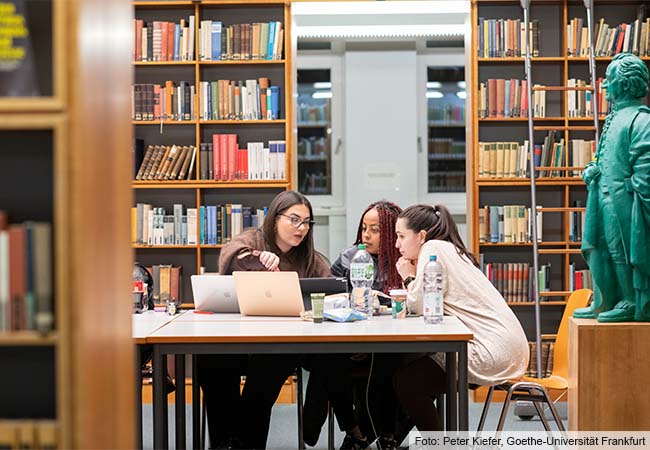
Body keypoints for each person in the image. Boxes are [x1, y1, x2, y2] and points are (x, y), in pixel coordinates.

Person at [198, 190, 331, 449]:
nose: (301, 228)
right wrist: (257, 257)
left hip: (284, 343)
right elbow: (231, 255)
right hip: (239, 338)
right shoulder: (253, 240)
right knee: (211, 360)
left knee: (269, 367)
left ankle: (245, 442)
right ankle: (223, 441)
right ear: (274, 217)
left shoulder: (310, 258)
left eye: (306, 222)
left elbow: (329, 290)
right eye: (294, 219)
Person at [392, 204, 529, 431]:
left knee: (408, 382)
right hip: (507, 346)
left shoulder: (433, 248)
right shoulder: (450, 249)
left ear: (422, 236)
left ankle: (439, 448)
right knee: (411, 371)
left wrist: (408, 277)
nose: (397, 244)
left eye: (401, 236)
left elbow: (418, 304)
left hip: (493, 351)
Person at [303, 200, 407, 450]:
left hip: (389, 346)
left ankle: (382, 434)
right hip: (349, 341)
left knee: (389, 363)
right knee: (326, 360)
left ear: (394, 232)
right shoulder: (349, 259)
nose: (367, 235)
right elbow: (331, 296)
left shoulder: (405, 260)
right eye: (363, 228)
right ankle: (355, 430)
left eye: (375, 229)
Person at [573, 53, 650, 323]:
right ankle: (607, 298)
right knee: (603, 248)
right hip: (604, 197)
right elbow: (604, 155)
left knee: (623, 252)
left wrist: (635, 195)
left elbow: (646, 166)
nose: (605, 87)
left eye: (611, 80)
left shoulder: (641, 120)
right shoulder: (615, 118)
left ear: (626, 85)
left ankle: (629, 298)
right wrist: (592, 168)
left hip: (624, 201)